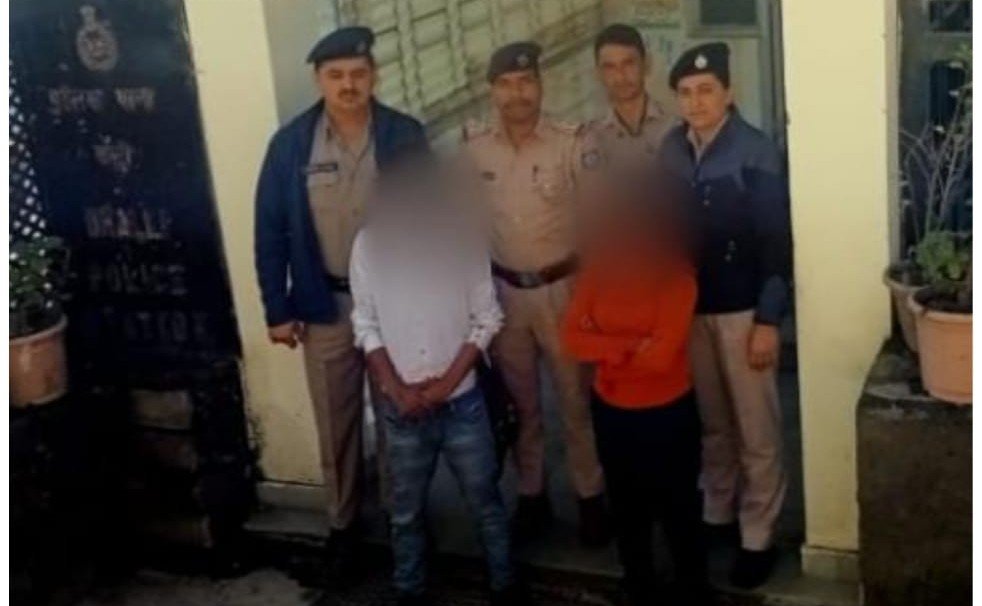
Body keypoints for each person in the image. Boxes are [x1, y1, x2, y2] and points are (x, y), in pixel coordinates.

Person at [253, 25, 428, 581]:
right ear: (318, 81)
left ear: (374, 76)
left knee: (399, 415)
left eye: (357, 73)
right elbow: (270, 229)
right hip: (324, 304)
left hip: (394, 304)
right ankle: (343, 526)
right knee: (337, 422)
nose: (348, 85)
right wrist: (277, 309)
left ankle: (404, 522)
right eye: (336, 76)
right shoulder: (291, 145)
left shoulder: (404, 135)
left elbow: (431, 218)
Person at [349, 158, 527, 606]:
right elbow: (365, 322)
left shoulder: (462, 239)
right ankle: (409, 590)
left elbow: (487, 318)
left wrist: (447, 385)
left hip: (462, 402)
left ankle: (504, 585)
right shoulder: (368, 245)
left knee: (485, 503)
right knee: (405, 513)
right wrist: (397, 390)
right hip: (402, 408)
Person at [460, 41, 609, 547]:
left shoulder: (572, 142)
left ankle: (590, 496)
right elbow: (465, 227)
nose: (516, 93)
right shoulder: (474, 148)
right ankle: (532, 493)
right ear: (491, 91)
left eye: (525, 82)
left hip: (562, 290)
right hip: (505, 294)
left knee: (575, 401)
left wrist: (594, 301)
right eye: (505, 84)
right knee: (522, 405)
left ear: (541, 85)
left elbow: (599, 225)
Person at [659, 42, 792, 589]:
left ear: (729, 92)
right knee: (713, 424)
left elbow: (776, 242)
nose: (696, 102)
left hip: (742, 311)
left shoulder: (755, 149)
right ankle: (718, 512)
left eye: (706, 90)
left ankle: (758, 533)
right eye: (686, 93)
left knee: (756, 429)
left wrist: (768, 320)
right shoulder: (671, 149)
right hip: (691, 310)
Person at [562, 177, 711, 606]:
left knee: (678, 508)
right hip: (612, 410)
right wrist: (629, 346)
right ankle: (638, 582)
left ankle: (692, 588)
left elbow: (661, 357)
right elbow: (572, 339)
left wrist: (603, 344)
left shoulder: (678, 278)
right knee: (627, 507)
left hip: (667, 413)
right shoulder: (597, 272)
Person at [589, 23, 674, 175]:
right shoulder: (589, 138)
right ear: (598, 73)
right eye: (610, 67)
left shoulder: (676, 128)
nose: (620, 76)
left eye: (628, 64)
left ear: (646, 64)